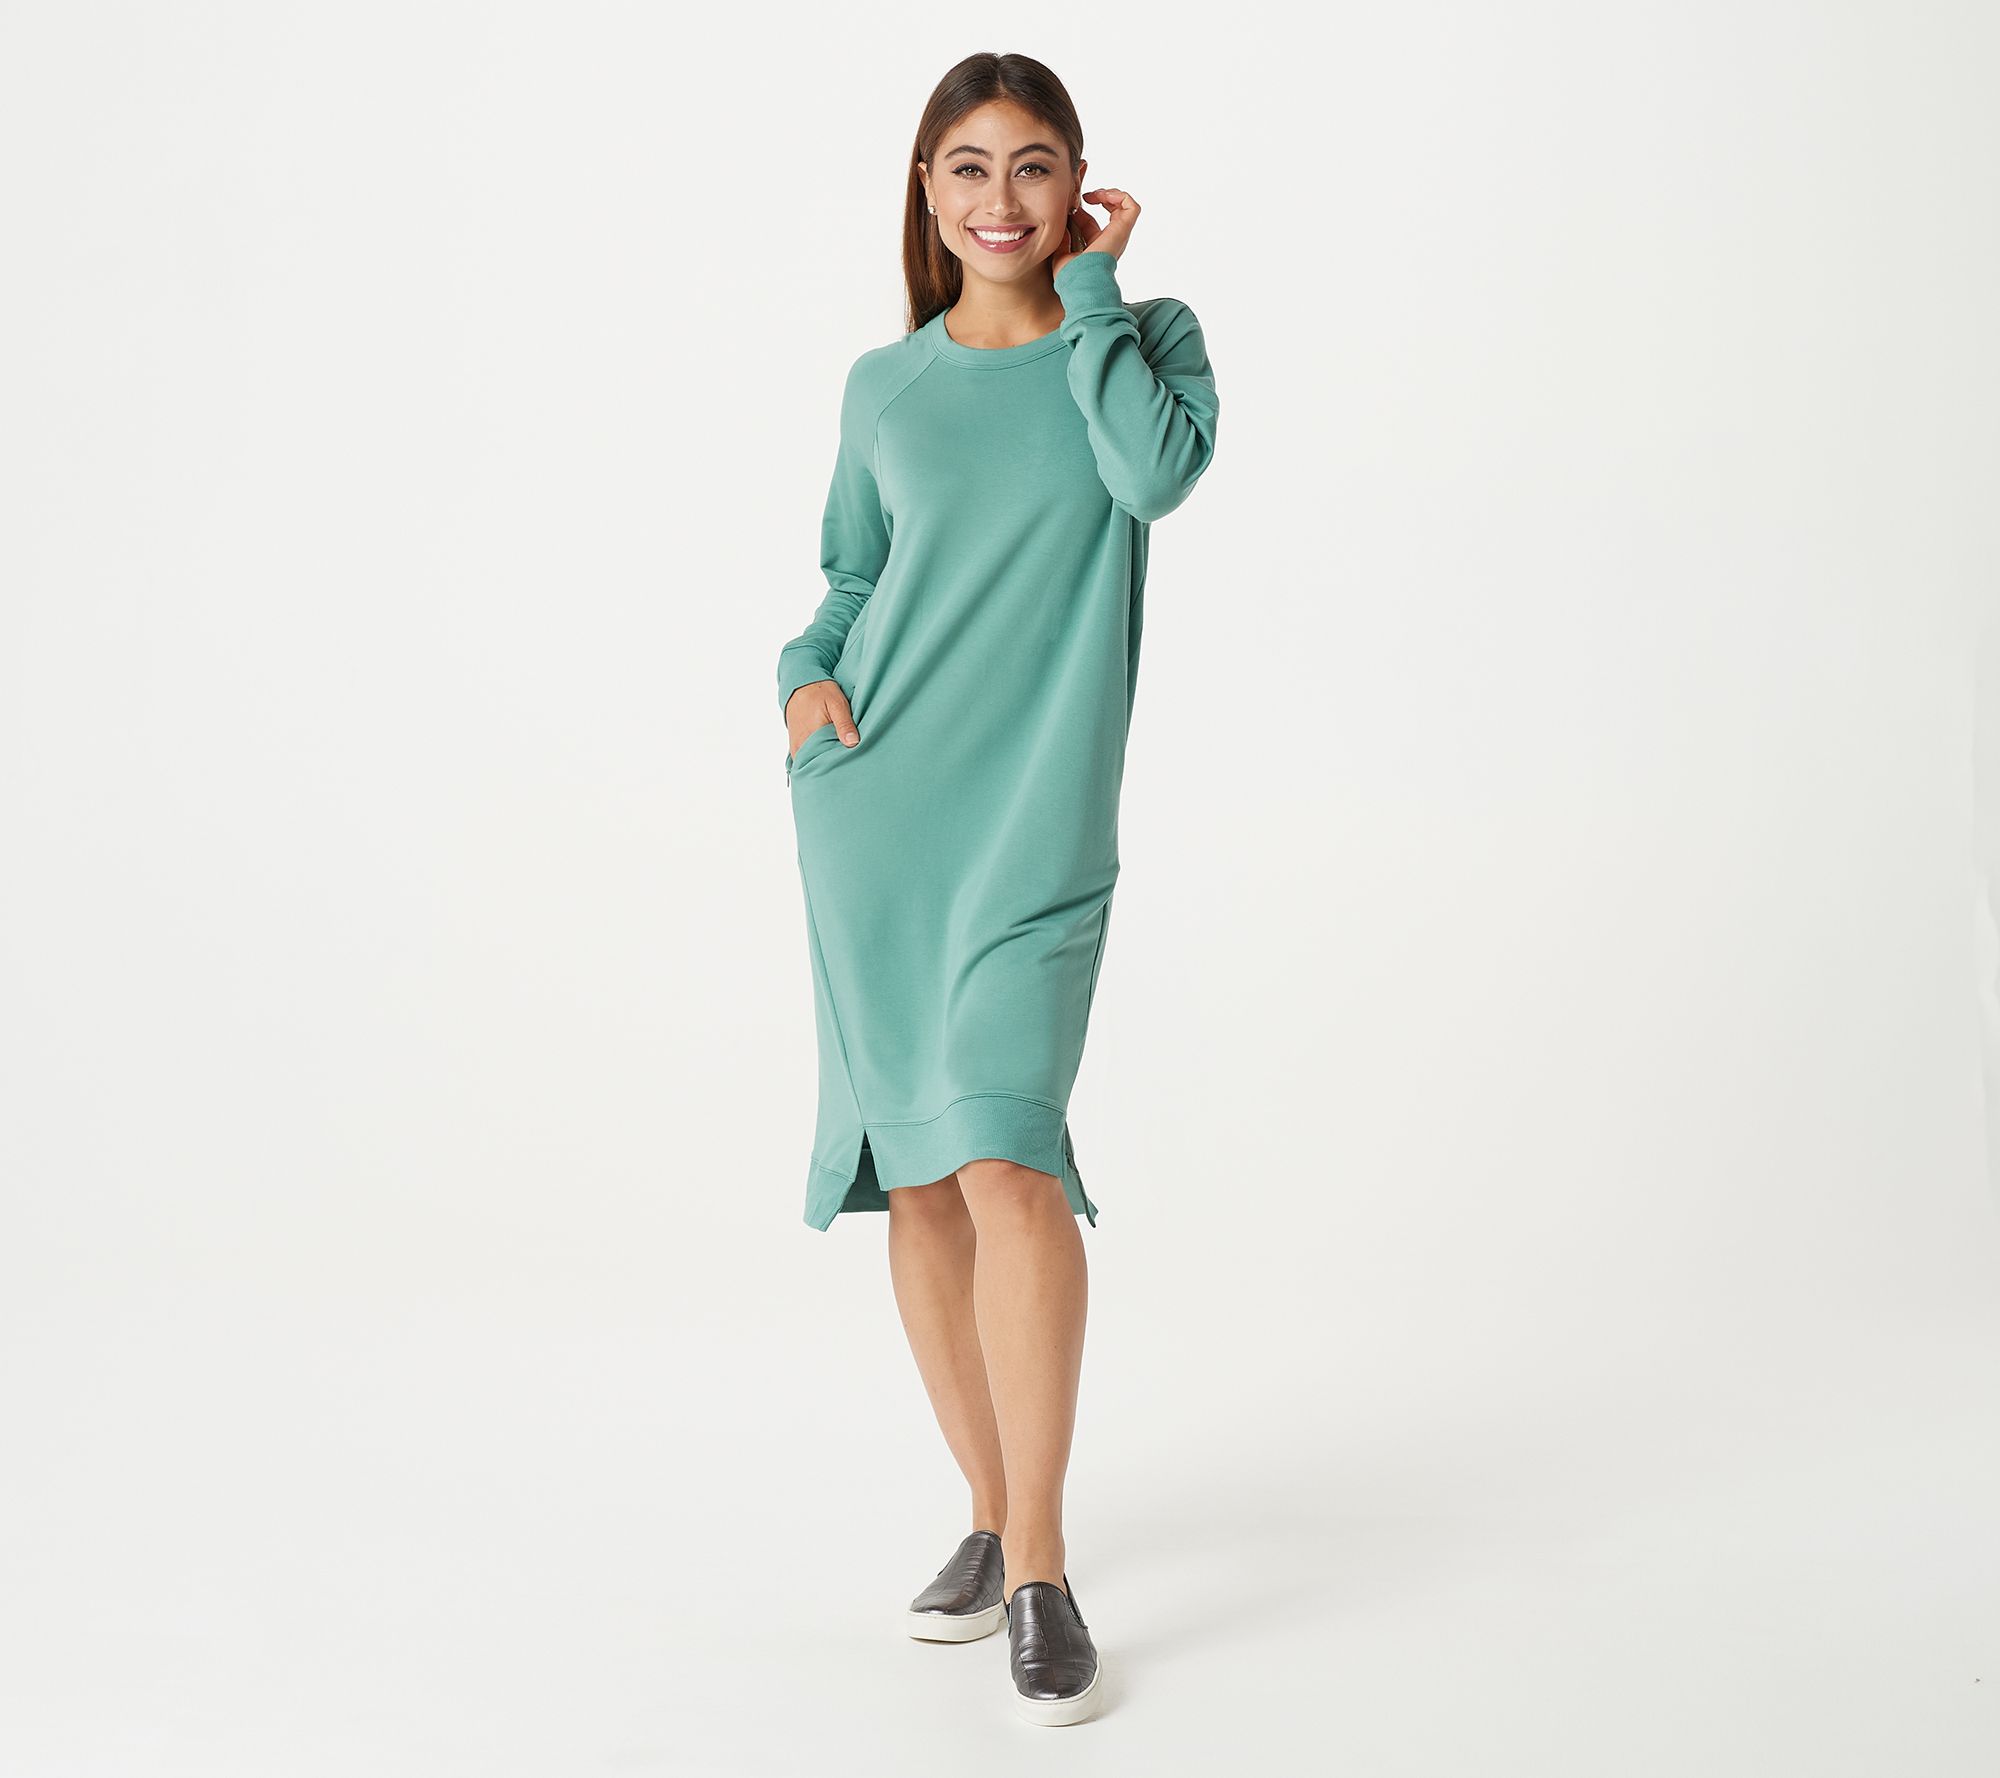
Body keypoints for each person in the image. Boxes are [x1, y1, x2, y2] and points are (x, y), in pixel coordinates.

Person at [775, 51, 1219, 1726]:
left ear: (1078, 183)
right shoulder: (884, 387)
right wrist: (801, 681)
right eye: (968, 167)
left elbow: (1151, 478)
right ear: (927, 191)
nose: (1001, 199)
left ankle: (1040, 1561)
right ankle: (984, 1508)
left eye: (1034, 165)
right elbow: (848, 577)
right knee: (926, 1184)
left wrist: (1097, 290)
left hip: (1037, 825)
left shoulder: (1144, 343)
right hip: (879, 816)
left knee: (1010, 1160)